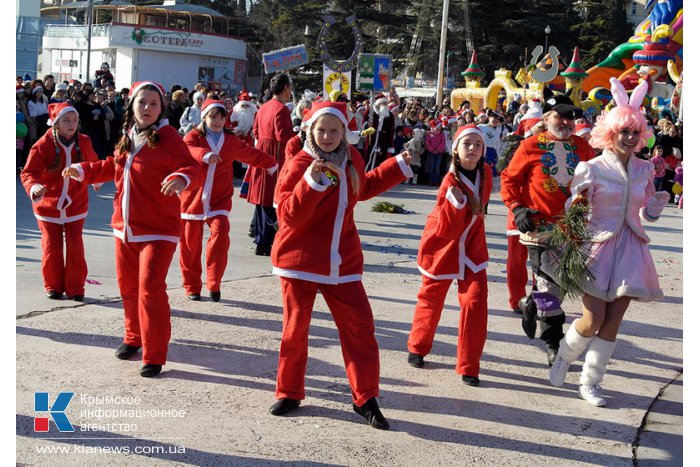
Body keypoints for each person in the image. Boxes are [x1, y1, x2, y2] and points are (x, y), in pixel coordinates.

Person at [268, 101, 413, 429]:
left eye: (335, 130)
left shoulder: (353, 158)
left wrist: (399, 165)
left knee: (360, 327)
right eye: (322, 129)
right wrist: (312, 183)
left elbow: (364, 188)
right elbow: (288, 216)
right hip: (299, 261)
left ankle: (366, 398)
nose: (328, 136)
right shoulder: (300, 163)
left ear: (345, 132)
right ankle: (289, 391)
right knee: (295, 330)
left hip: (341, 261)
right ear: (310, 130)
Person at [62, 81, 202, 378]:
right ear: (132, 106)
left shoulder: (169, 137)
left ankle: (154, 353)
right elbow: (112, 167)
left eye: (153, 103)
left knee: (150, 288)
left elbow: (192, 168)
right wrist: (83, 170)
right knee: (128, 288)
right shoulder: (128, 136)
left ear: (161, 107)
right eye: (142, 103)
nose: (148, 108)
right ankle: (133, 337)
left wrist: (180, 177)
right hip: (123, 227)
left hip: (158, 230)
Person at [547, 78, 671, 406]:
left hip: (631, 249)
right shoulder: (593, 167)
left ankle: (590, 383)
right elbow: (574, 206)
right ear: (611, 133)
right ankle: (564, 356)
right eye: (624, 132)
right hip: (596, 247)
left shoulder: (645, 169)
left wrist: (655, 207)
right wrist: (576, 203)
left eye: (634, 132)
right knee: (592, 319)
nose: (630, 138)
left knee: (613, 322)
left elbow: (646, 212)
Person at [500, 93, 595, 366]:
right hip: (538, 230)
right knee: (548, 287)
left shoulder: (583, 147)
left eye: (569, 117)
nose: (565, 122)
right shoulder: (530, 146)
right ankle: (553, 342)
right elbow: (509, 179)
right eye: (559, 116)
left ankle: (531, 304)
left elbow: (596, 181)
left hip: (574, 228)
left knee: (559, 284)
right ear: (546, 118)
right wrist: (518, 208)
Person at [406, 124, 492, 386]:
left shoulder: (486, 173)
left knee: (476, 302)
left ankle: (469, 364)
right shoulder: (449, 182)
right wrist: (456, 205)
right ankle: (417, 346)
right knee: (431, 298)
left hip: (472, 248)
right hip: (443, 247)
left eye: (478, 145)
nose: (473, 149)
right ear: (455, 148)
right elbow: (446, 230)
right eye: (467, 144)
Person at [179, 100, 277, 302]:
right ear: (204, 117)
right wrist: (204, 154)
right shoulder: (194, 136)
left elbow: (250, 154)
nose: (217, 121)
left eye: (221, 117)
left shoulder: (230, 140)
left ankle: (214, 283)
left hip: (219, 199)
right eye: (213, 116)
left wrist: (272, 164)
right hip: (193, 198)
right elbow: (186, 148)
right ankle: (192, 286)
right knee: (190, 245)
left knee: (221, 233)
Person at [20, 103, 100, 301]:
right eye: (66, 120)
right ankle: (53, 286)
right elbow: (29, 172)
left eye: (74, 120)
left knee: (75, 246)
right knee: (51, 246)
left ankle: (76, 288)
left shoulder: (84, 141)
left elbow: (94, 164)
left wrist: (96, 178)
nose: (71, 124)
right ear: (55, 124)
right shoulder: (43, 144)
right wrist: (34, 187)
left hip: (76, 202)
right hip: (48, 204)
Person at [245, 73, 294, 256]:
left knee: (261, 198)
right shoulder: (281, 109)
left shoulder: (263, 107)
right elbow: (283, 136)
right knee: (271, 199)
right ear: (285, 88)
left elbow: (255, 132)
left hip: (262, 152)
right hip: (275, 155)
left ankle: (260, 238)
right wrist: (298, 134)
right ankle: (265, 242)